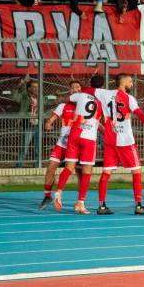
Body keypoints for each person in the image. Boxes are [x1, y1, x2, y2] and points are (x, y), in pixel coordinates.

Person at [95, 73, 144, 215]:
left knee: (106, 172)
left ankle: (102, 205)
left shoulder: (104, 94)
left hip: (110, 141)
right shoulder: (129, 99)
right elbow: (142, 116)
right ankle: (139, 205)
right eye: (130, 82)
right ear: (123, 83)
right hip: (126, 141)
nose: (132, 84)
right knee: (136, 171)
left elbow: (89, 90)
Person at [53, 75, 105, 214]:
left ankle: (58, 192)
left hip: (75, 134)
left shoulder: (81, 95)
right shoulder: (101, 101)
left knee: (69, 167)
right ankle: (80, 202)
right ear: (102, 87)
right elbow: (99, 121)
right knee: (86, 171)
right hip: (89, 138)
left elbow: (65, 99)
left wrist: (58, 96)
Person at [39, 80, 83, 210]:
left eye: (77, 87)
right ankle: (47, 196)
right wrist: (48, 124)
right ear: (70, 91)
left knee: (80, 172)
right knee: (51, 167)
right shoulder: (63, 106)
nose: (75, 89)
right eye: (73, 87)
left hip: (76, 144)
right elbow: (51, 120)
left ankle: (80, 201)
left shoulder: (84, 106)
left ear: (81, 90)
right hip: (62, 144)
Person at [12, 76, 42, 168]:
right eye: (34, 87)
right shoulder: (25, 98)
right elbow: (14, 97)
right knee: (24, 147)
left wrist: (57, 97)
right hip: (28, 124)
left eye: (37, 87)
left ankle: (36, 166)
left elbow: (50, 101)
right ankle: (19, 166)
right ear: (29, 89)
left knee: (37, 148)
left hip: (37, 125)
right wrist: (18, 86)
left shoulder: (40, 98)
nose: (36, 89)